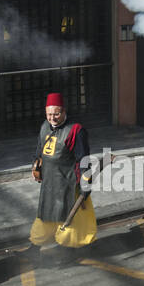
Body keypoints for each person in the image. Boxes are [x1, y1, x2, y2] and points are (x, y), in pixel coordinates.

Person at [29, 92, 97, 253]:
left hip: (68, 183)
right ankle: (35, 246)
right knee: (45, 215)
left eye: (56, 114)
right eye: (49, 114)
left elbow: (83, 159)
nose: (52, 118)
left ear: (64, 112)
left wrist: (85, 182)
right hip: (49, 183)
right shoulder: (45, 126)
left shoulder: (76, 130)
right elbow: (39, 149)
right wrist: (36, 164)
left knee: (68, 219)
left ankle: (69, 250)